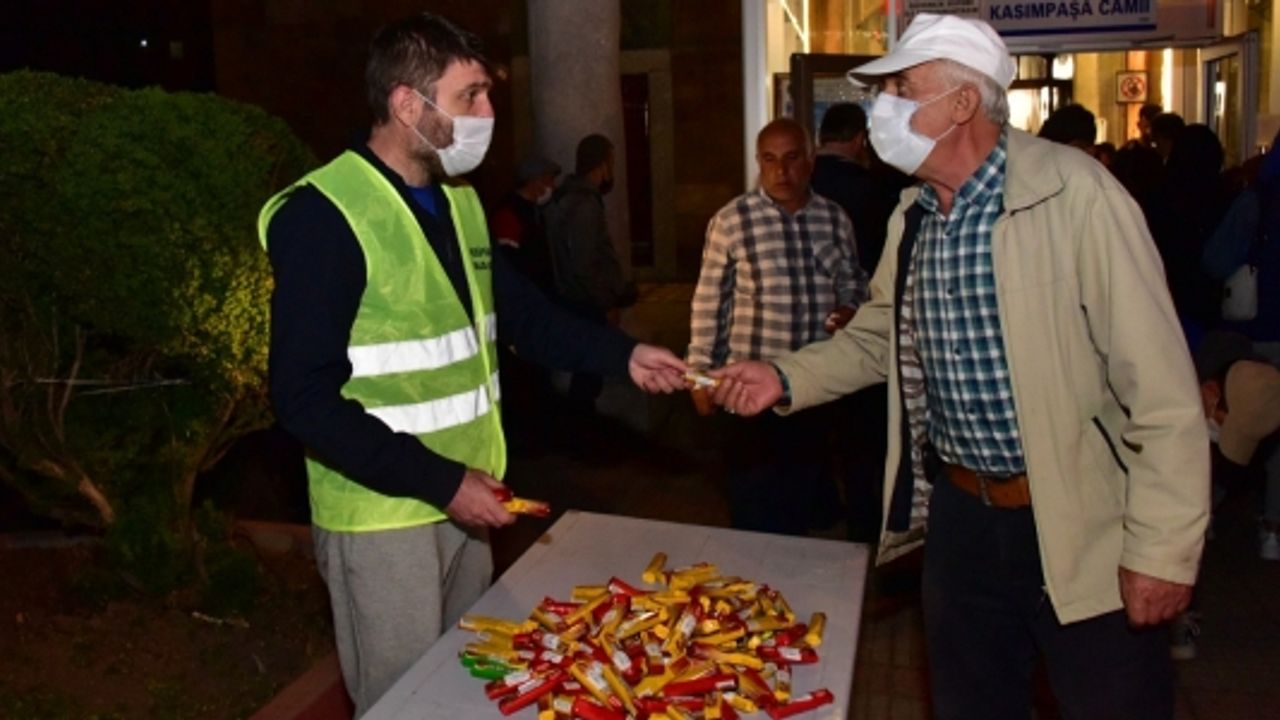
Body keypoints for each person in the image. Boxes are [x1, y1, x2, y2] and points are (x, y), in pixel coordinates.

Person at [710, 13, 1208, 719]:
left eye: (901, 89)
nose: (882, 109)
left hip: (1077, 521)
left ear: (963, 102)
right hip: (962, 521)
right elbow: (878, 337)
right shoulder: (913, 217)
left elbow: (1160, 389)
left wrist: (1161, 550)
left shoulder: (1075, 197)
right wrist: (784, 377)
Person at [257, 14, 686, 716]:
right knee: (403, 704)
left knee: (467, 690)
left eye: (487, 94)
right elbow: (302, 396)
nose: (487, 114)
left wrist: (626, 355)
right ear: (406, 104)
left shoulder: (459, 204)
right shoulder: (325, 215)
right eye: (470, 96)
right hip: (385, 516)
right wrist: (443, 482)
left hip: (468, 499)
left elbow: (525, 318)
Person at [688, 117, 869, 535]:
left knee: (804, 503)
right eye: (769, 160)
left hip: (812, 388)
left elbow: (853, 281)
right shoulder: (732, 221)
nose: (780, 171)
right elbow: (709, 301)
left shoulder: (834, 219)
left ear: (810, 161)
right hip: (749, 393)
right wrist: (698, 373)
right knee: (754, 506)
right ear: (758, 162)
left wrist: (850, 307)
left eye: (791, 159)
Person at [809, 102, 890, 541]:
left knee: (811, 429)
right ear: (859, 139)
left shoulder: (803, 181)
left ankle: (819, 507)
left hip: (805, 334)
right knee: (861, 437)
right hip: (862, 324)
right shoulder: (873, 189)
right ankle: (862, 522)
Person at [546, 133, 635, 414]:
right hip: (586, 303)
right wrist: (606, 303)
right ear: (601, 163)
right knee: (587, 378)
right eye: (611, 161)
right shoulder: (583, 204)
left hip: (580, 300)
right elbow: (585, 264)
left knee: (587, 375)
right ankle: (582, 432)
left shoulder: (574, 199)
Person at [490, 154, 560, 293]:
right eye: (549, 181)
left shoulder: (535, 212)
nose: (553, 186)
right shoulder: (509, 213)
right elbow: (509, 263)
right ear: (535, 181)